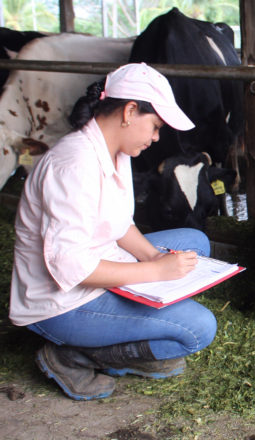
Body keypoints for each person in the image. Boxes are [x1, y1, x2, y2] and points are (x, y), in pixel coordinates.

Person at [9, 63, 218, 401]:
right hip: (63, 303)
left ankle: (133, 336)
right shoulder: (74, 166)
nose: (155, 137)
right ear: (129, 111)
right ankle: (71, 355)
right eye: (154, 126)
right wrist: (154, 270)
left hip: (104, 264)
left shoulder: (114, 150)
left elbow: (119, 224)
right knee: (198, 330)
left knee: (195, 243)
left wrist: (151, 255)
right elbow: (70, 268)